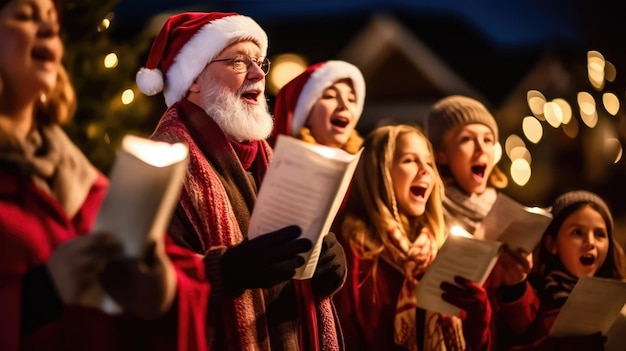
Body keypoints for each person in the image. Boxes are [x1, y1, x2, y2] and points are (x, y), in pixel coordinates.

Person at [0, 1, 210, 351]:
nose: (51, 30)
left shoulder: (80, 175)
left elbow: (178, 283)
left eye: (53, 20)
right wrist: (40, 293)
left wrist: (159, 289)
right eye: (24, 16)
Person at [136, 11, 347, 350]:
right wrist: (225, 273)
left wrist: (322, 267)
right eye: (238, 62)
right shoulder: (161, 160)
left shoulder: (270, 160)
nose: (257, 74)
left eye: (261, 63)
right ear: (193, 79)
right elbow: (136, 287)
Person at [332, 124, 492, 351]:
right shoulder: (355, 250)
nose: (426, 170)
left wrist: (479, 314)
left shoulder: (439, 250)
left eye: (428, 162)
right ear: (380, 173)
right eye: (409, 160)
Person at [425, 95, 538, 350]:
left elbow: (524, 326)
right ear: (442, 154)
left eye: (488, 139)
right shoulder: (431, 213)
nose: (481, 148)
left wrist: (517, 285)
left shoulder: (510, 215)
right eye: (466, 139)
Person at [509, 190, 626, 350]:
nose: (590, 242)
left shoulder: (618, 301)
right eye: (577, 232)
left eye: (599, 234)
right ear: (552, 244)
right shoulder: (532, 299)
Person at [269, 59, 365, 155]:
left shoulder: (365, 162)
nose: (345, 105)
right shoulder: (277, 163)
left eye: (351, 99)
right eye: (330, 96)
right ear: (307, 115)